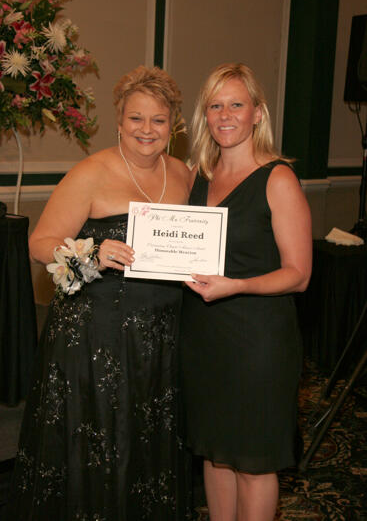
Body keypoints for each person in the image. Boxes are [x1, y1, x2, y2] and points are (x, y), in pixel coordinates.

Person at [4, 66, 191, 521]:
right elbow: (40, 243)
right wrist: (90, 254)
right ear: (119, 121)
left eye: (158, 120)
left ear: (173, 125)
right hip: (95, 337)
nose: (147, 130)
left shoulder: (185, 174)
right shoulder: (90, 171)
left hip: (162, 333)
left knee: (146, 436)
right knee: (100, 437)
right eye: (136, 118)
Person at [180, 63, 312, 521]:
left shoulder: (278, 179)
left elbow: (298, 274)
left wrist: (237, 286)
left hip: (258, 338)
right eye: (215, 106)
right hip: (203, 334)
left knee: (254, 460)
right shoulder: (198, 177)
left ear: (258, 113)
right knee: (215, 454)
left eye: (237, 104)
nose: (225, 115)